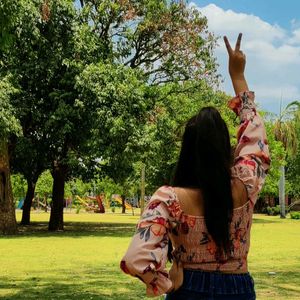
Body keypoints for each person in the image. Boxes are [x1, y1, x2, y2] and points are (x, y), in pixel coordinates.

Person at [120, 33, 270, 299]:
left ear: (187, 151)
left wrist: (163, 282)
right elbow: (255, 133)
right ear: (227, 148)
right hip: (239, 290)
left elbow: (135, 258)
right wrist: (238, 77)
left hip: (188, 289)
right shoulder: (245, 185)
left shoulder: (169, 200)